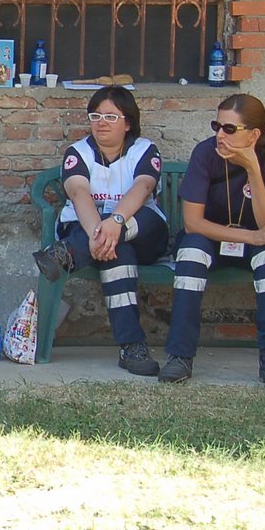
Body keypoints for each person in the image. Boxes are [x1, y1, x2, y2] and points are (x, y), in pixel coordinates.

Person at [159, 93, 265, 389]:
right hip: (212, 237)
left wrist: (252, 169)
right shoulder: (205, 153)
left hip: (258, 239)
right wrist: (250, 235)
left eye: (229, 129)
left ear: (254, 134)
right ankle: (179, 355)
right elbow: (193, 223)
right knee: (191, 253)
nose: (220, 135)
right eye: (217, 126)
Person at [30, 86, 170, 376]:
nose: (101, 122)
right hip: (89, 228)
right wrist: (100, 234)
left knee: (136, 226)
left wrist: (115, 223)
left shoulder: (144, 149)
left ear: (127, 122)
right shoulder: (78, 153)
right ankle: (132, 346)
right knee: (117, 250)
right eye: (96, 115)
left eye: (110, 116)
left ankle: (66, 254)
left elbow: (143, 188)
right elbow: (79, 194)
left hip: (141, 231)